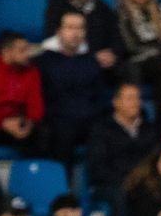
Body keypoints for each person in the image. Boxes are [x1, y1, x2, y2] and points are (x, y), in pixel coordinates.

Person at [35, 11, 110, 168]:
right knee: (61, 133)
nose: (75, 33)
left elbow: (100, 96)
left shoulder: (91, 61)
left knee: (103, 132)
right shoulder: (44, 61)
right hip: (59, 120)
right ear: (59, 31)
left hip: (89, 119)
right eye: (70, 27)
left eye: (80, 28)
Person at [86, 83, 156, 214]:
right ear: (116, 102)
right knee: (122, 195)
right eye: (130, 98)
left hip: (144, 180)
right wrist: (128, 180)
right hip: (113, 184)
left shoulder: (149, 129)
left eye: (138, 98)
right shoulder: (101, 130)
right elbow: (98, 167)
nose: (135, 103)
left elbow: (155, 159)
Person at [40, 0, 124, 72]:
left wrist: (113, 54)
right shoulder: (56, 5)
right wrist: (91, 57)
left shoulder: (104, 10)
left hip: (98, 68)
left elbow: (117, 39)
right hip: (64, 64)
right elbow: (52, 39)